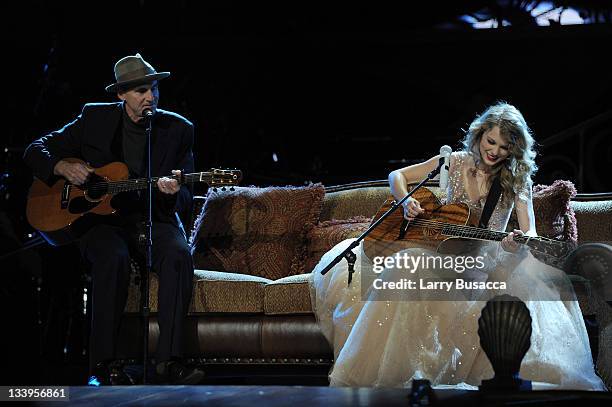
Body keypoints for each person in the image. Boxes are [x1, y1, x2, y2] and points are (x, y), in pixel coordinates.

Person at [311, 102, 606, 390]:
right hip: (443, 252)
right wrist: (405, 200)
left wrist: (516, 244)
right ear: (479, 135)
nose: (495, 151)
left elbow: (527, 229)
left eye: (504, 147)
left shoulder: (516, 178)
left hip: (486, 259)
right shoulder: (454, 161)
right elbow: (397, 176)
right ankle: (403, 375)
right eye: (491, 141)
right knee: (406, 266)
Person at [24, 53, 204, 385]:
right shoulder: (94, 119)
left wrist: (170, 192)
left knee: (178, 255)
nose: (150, 96)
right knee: (112, 257)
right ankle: (104, 365)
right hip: (102, 223)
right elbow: (36, 148)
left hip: (154, 217)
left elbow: (185, 196)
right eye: (140, 91)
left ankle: (171, 360)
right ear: (120, 94)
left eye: (153, 89)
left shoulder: (179, 129)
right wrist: (61, 167)